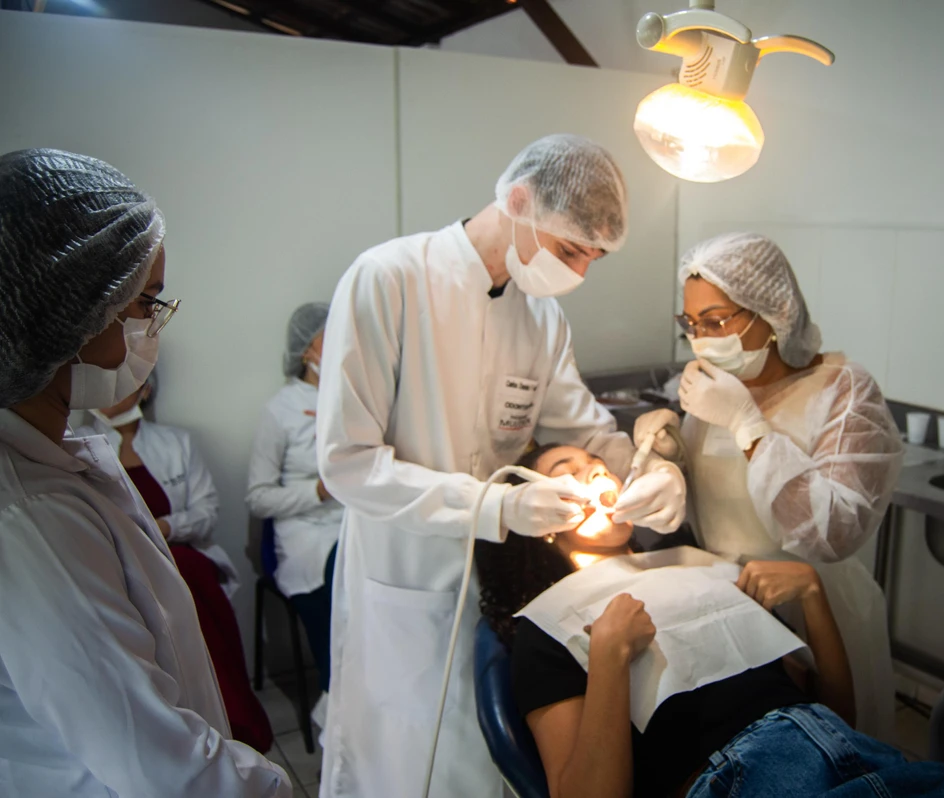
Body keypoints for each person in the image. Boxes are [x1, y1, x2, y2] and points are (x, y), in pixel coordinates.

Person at [316, 133, 688, 797]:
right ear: (517, 201)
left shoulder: (542, 318)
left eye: (594, 257)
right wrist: (497, 505)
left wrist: (651, 471)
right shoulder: (390, 279)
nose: (580, 273)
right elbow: (347, 463)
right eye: (570, 250)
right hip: (406, 574)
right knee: (404, 763)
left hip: (502, 584)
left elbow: (584, 430)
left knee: (487, 762)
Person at [0, 148, 290, 795]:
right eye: (146, 303)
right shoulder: (31, 516)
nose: (152, 327)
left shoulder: (57, 461)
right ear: (71, 314)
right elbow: (165, 766)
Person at [475, 443, 944, 798]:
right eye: (566, 472)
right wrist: (609, 658)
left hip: (858, 756)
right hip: (742, 779)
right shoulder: (549, 628)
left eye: (597, 463)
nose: (594, 471)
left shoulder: (696, 567)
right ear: (539, 518)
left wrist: (813, 596)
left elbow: (840, 715)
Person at [635, 232, 904, 740]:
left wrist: (750, 428)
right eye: (691, 324)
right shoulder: (714, 381)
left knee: (824, 753)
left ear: (773, 312)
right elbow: (716, 493)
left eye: (716, 321)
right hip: (725, 603)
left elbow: (834, 532)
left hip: (814, 613)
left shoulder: (843, 390)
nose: (702, 340)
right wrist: (669, 458)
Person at [79, 369, 274, 753]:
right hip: (119, 565)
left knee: (187, 573)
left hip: (180, 557)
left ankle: (234, 722)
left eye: (121, 381)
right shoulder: (77, 450)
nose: (109, 392)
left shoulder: (176, 442)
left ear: (145, 389)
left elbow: (206, 512)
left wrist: (163, 527)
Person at [247, 301, 343, 729]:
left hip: (354, 524)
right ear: (306, 351)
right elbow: (259, 498)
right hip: (307, 533)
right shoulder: (280, 410)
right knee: (339, 588)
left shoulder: (356, 398)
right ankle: (338, 707)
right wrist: (317, 492)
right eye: (330, 336)